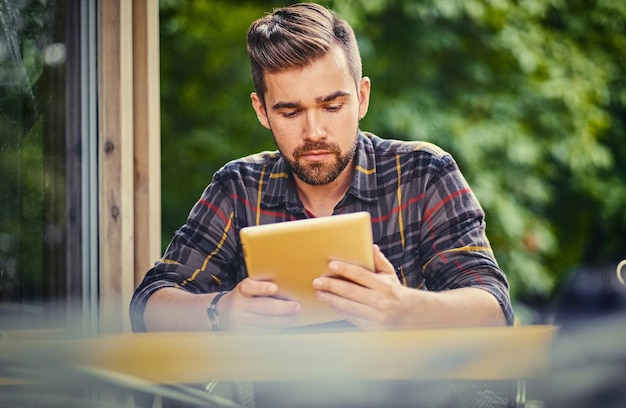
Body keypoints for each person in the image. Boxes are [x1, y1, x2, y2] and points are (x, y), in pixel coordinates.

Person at [129, 2, 513, 334]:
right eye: (290, 111)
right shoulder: (239, 187)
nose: (314, 132)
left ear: (361, 98)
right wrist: (222, 311)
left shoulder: (423, 172)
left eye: (332, 107)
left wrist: (404, 309)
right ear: (262, 111)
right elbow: (149, 305)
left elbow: (494, 308)